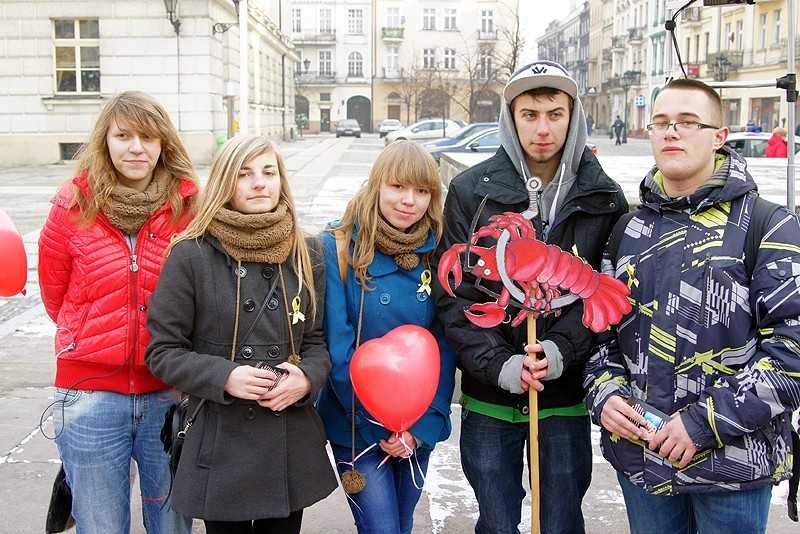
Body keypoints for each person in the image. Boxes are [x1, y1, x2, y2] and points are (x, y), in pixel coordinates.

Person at [584, 78, 800, 532]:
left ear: (719, 137)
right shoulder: (628, 231)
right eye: (661, 122)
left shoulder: (768, 225)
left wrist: (702, 425)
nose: (671, 132)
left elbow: (791, 354)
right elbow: (601, 335)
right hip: (644, 464)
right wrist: (605, 394)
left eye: (687, 122)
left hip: (732, 471)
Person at [433, 60, 628, 533]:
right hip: (488, 397)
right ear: (510, 117)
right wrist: (498, 364)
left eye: (555, 114)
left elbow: (608, 295)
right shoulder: (468, 190)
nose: (542, 128)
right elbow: (453, 296)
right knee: (496, 522)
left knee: (561, 521)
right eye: (529, 114)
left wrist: (561, 352)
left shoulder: (604, 196)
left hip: (564, 398)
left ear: (573, 116)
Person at [145, 134, 338, 533]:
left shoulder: (307, 250)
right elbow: (163, 351)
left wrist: (305, 379)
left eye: (269, 172)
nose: (259, 183)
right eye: (244, 174)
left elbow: (317, 341)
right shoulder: (191, 254)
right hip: (221, 440)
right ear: (225, 183)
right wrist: (225, 376)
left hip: (286, 435)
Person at [37, 90, 198, 533]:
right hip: (89, 394)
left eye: (147, 136)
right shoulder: (72, 207)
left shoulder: (190, 209)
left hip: (168, 392)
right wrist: (93, 333)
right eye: (123, 135)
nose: (136, 148)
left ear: (163, 142)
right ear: (104, 141)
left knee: (172, 525)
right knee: (101, 525)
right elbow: (56, 296)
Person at [316, 140, 456, 534]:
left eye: (422, 191)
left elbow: (443, 346)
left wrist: (418, 429)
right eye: (397, 187)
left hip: (414, 427)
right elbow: (337, 347)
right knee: (382, 528)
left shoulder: (437, 253)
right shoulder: (338, 247)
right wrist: (383, 424)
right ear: (377, 185)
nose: (409, 201)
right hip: (357, 423)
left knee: (403, 524)